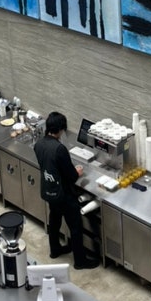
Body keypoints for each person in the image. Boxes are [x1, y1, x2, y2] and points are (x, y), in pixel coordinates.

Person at [34, 111, 99, 270]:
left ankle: (55, 250)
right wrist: (78, 172)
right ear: (61, 129)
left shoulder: (39, 144)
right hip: (63, 194)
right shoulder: (59, 149)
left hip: (48, 190)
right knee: (75, 226)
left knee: (54, 220)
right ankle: (80, 261)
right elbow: (71, 176)